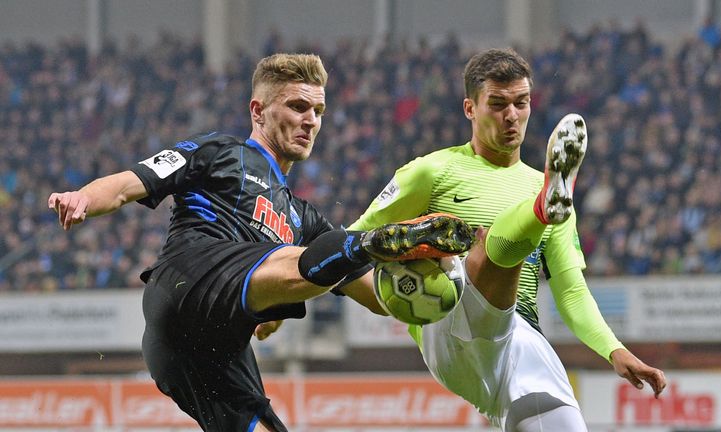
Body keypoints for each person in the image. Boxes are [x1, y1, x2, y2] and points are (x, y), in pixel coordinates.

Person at [47, 53, 474, 432]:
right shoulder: (220, 152)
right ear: (258, 110)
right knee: (316, 252)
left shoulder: (303, 217)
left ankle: (375, 247)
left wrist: (433, 284)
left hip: (212, 351)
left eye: (319, 111)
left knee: (321, 257)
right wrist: (83, 197)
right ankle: (373, 242)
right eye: (298, 106)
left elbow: (377, 299)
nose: (311, 121)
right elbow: (128, 184)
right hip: (187, 283)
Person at [344, 48, 667, 430]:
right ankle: (537, 214)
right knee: (491, 250)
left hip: (518, 338)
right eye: (497, 104)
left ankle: (537, 215)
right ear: (470, 108)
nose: (511, 115)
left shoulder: (543, 185)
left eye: (521, 103)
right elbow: (348, 250)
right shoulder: (431, 172)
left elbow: (571, 290)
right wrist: (381, 300)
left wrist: (614, 349)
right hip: (446, 323)